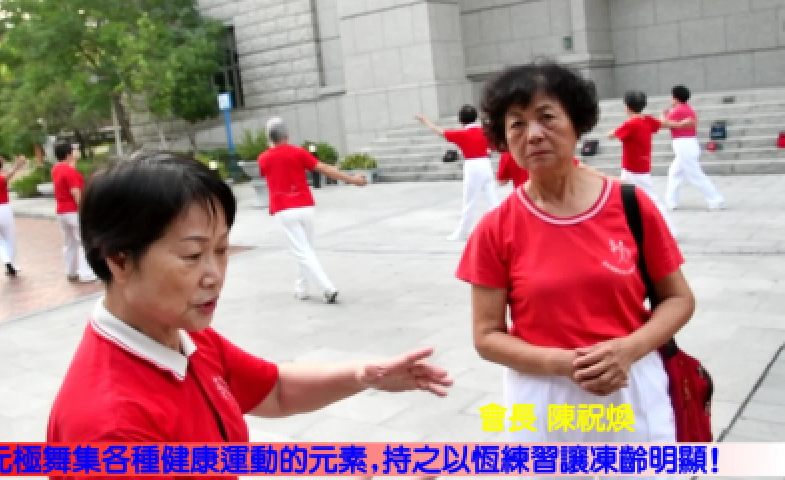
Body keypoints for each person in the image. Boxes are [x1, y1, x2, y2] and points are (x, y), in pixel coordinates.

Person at [47, 152, 453, 480]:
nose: (215, 275)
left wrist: (363, 376)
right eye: (192, 255)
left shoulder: (179, 333)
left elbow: (273, 390)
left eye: (222, 250)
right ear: (120, 260)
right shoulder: (111, 431)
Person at [458, 63, 695, 465]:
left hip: (629, 384)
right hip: (543, 393)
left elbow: (679, 299)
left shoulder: (631, 204)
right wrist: (564, 363)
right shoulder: (495, 228)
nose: (533, 134)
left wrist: (628, 350)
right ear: (503, 139)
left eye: (547, 117)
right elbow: (486, 335)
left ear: (576, 122)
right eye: (516, 124)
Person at [258, 117, 367, 303]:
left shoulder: (263, 158)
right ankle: (301, 289)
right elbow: (324, 168)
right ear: (287, 135)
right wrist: (352, 180)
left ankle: (327, 288)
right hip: (305, 206)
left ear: (269, 138)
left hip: (284, 209)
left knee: (302, 251)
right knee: (306, 250)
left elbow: (267, 168)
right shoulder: (298, 152)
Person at [415, 106, 500, 241]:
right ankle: (501, 229)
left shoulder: (462, 134)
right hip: (486, 165)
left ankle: (462, 232)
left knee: (469, 203)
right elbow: (494, 147)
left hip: (472, 167)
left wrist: (425, 120)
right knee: (493, 201)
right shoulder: (484, 132)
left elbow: (440, 132)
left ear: (461, 120)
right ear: (475, 118)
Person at [607, 90, 684, 235]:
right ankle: (626, 228)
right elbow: (661, 124)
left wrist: (613, 130)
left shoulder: (631, 124)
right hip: (638, 167)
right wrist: (678, 124)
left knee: (651, 199)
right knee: (623, 197)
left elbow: (611, 135)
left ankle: (669, 229)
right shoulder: (647, 120)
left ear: (627, 107)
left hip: (633, 169)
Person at [661, 85, 725, 211]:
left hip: (684, 145)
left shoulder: (678, 110)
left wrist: (663, 115)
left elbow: (663, 124)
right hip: (687, 144)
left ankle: (715, 200)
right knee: (674, 172)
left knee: (695, 175)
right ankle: (671, 201)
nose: (670, 99)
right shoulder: (688, 109)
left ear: (676, 98)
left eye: (672, 96)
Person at [53, 143, 97, 283]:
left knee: (69, 242)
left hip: (61, 210)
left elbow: (69, 173)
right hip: (73, 210)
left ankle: (71, 271)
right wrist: (84, 210)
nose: (76, 152)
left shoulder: (56, 169)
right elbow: (75, 192)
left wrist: (74, 160)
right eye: (74, 151)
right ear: (68, 154)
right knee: (84, 241)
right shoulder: (70, 171)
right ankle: (86, 273)